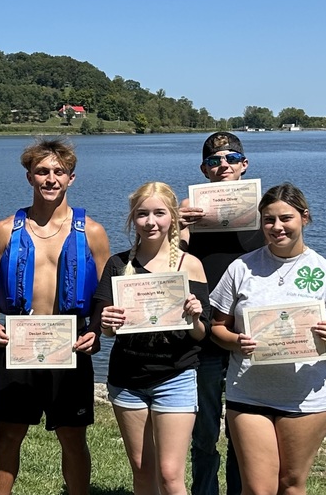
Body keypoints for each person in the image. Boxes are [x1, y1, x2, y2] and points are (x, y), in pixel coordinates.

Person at [0, 138, 111, 495]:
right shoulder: (5, 230)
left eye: (58, 172)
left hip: (70, 345)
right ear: (29, 177)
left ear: (71, 178)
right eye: (42, 171)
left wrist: (96, 331)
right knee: (8, 435)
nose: (50, 179)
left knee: (73, 437)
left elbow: (106, 292)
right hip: (18, 343)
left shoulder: (93, 232)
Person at [209, 183, 326, 495]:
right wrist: (235, 341)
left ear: (305, 217)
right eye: (268, 220)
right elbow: (217, 327)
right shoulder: (241, 268)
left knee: (291, 484)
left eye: (286, 218)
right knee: (257, 489)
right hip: (248, 392)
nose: (277, 227)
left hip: (306, 398)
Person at [94, 182, 209, 495]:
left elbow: (201, 334)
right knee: (143, 470)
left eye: (159, 213)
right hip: (127, 379)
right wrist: (108, 323)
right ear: (133, 219)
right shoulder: (118, 265)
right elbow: (107, 330)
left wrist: (195, 317)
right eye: (142, 214)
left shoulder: (190, 265)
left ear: (172, 217)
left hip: (176, 377)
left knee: (170, 475)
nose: (150, 221)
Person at [180, 132, 264, 495]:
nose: (223, 165)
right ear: (204, 169)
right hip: (204, 332)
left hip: (250, 334)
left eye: (231, 158)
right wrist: (177, 224)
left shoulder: (265, 210)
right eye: (214, 161)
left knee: (244, 431)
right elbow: (168, 260)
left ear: (244, 164)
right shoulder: (190, 211)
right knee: (204, 432)